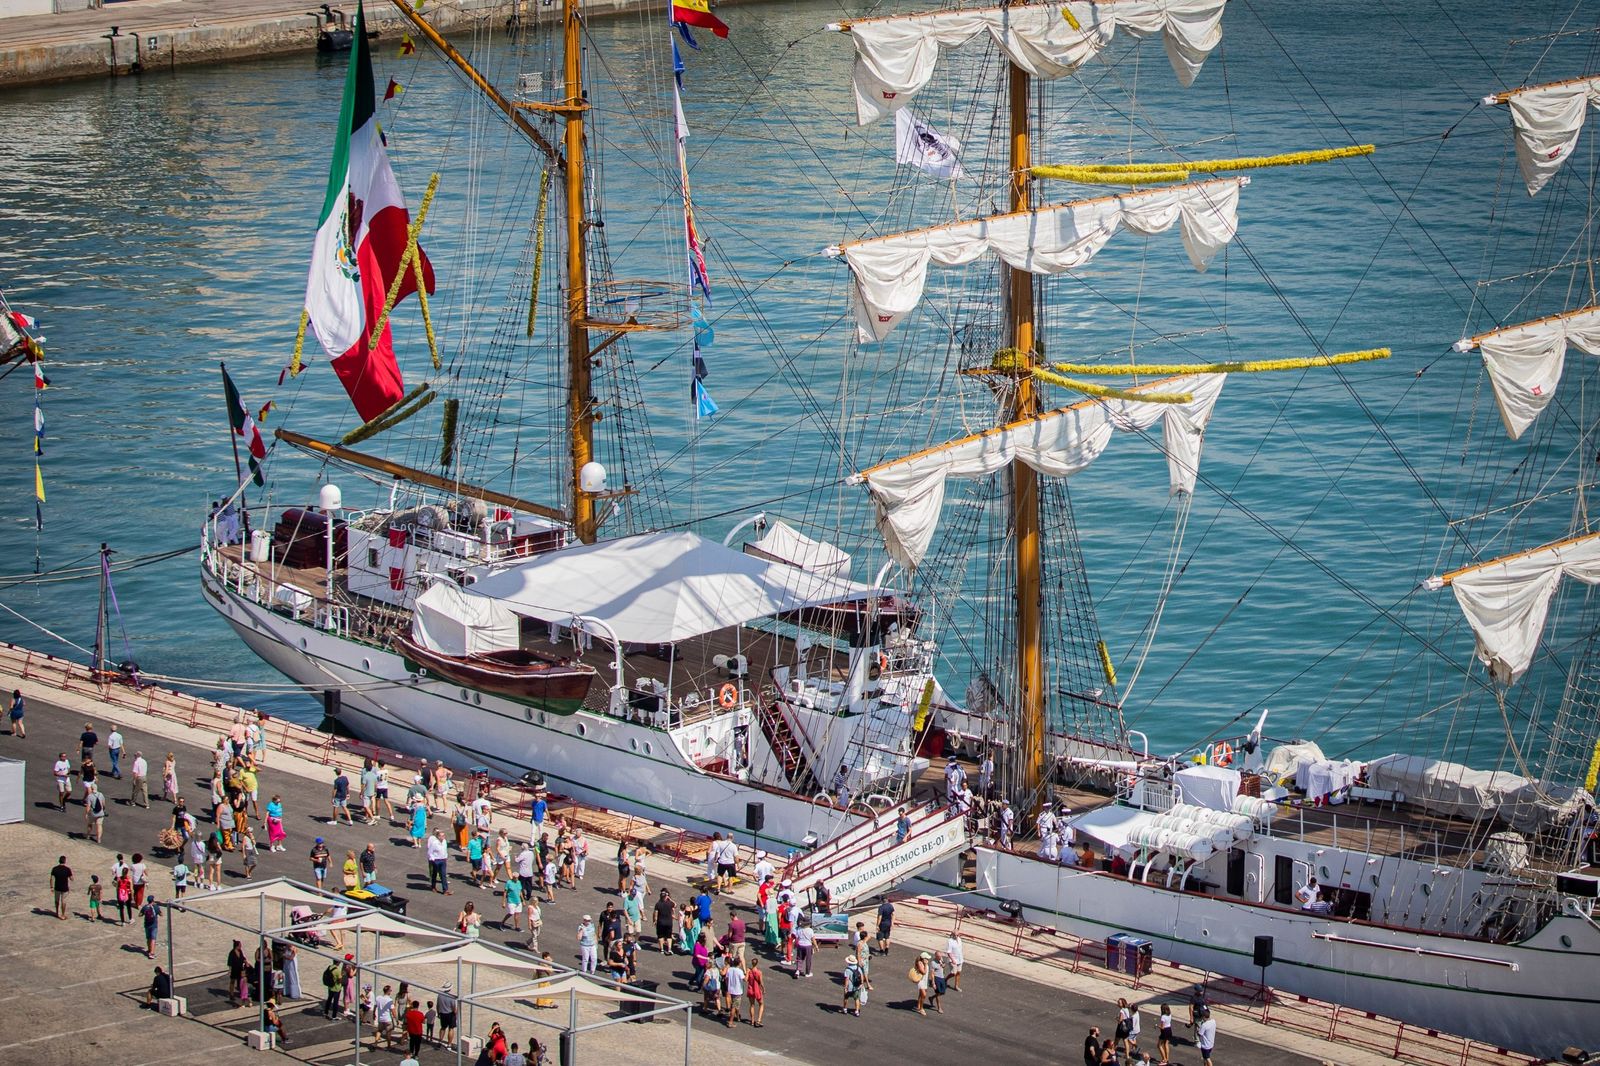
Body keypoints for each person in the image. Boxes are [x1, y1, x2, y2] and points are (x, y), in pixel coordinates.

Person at [49, 855, 72, 919]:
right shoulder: (67, 869)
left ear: (59, 860)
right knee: (63, 901)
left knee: (57, 900)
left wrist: (51, 887)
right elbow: (71, 878)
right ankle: (63, 915)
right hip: (64, 888)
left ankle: (57, 912)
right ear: (65, 861)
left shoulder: (54, 868)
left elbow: (51, 878)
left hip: (57, 887)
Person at [437, 981, 458, 1047]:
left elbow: (438, 1005)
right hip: (450, 1014)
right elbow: (454, 1008)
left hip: (442, 1013)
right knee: (451, 1029)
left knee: (443, 1028)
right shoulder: (452, 997)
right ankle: (449, 1044)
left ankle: (440, 1041)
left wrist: (438, 1013)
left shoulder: (440, 995)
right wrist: (456, 1014)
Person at [746, 954, 765, 1027]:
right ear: (757, 963)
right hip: (757, 990)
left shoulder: (749, 971)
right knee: (761, 1004)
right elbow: (761, 982)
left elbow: (746, 979)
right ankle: (759, 1020)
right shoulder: (759, 972)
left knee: (752, 1005)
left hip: (750, 989)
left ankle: (752, 1021)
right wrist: (763, 989)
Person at [911, 951, 932, 1016]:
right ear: (923, 958)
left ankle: (918, 1006)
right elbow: (924, 972)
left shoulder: (924, 962)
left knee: (921, 994)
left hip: (925, 981)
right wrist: (925, 964)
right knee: (924, 995)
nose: (928, 959)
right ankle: (921, 1009)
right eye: (927, 958)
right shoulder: (920, 963)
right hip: (921, 981)